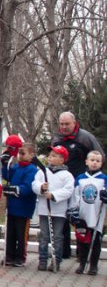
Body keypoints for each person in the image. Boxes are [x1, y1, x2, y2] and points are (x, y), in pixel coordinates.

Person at [51, 111, 105, 259]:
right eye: (61, 124)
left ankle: (84, 251)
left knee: (80, 218)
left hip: (80, 185)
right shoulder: (56, 139)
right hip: (61, 185)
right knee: (61, 218)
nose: (64, 127)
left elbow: (99, 155)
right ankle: (63, 250)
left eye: (67, 124)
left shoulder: (86, 137)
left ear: (74, 123)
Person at [32, 145, 75, 272]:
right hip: (44, 209)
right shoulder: (42, 172)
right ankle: (43, 260)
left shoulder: (67, 175)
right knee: (44, 235)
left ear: (62, 160)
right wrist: (41, 188)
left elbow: (68, 190)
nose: (50, 157)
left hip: (59, 210)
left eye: (54, 156)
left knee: (57, 236)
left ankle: (56, 260)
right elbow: (35, 184)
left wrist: (54, 195)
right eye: (49, 155)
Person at [68, 150, 107, 275]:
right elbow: (75, 196)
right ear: (86, 161)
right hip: (83, 216)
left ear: (101, 164)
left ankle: (93, 265)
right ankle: (82, 263)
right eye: (92, 160)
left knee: (95, 242)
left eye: (98, 161)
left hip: (96, 216)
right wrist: (73, 211)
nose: (94, 163)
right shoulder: (80, 178)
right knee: (82, 242)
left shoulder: (104, 179)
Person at [1, 142, 38, 267]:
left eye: (23, 153)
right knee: (10, 233)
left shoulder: (32, 170)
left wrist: (15, 189)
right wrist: (5, 164)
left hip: (24, 207)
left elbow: (28, 187)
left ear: (31, 155)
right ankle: (9, 255)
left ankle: (20, 256)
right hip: (12, 206)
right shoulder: (16, 167)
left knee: (21, 234)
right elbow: (7, 176)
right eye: (19, 153)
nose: (20, 156)